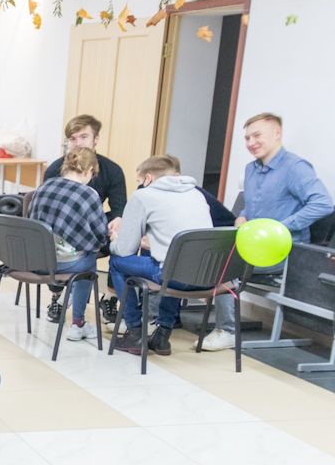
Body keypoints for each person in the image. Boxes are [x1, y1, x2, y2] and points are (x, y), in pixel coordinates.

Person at [204, 112, 334, 351]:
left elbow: (323, 203)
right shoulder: (251, 169)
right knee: (209, 258)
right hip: (255, 246)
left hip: (285, 252)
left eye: (257, 136)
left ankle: (227, 331)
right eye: (247, 138)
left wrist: (282, 226)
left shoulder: (295, 167)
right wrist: (243, 215)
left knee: (225, 267)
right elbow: (253, 204)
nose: (251, 142)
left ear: (277, 134)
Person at [110, 155, 214, 356]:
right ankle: (162, 335)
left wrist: (115, 239)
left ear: (148, 178)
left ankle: (134, 331)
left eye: (140, 181)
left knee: (117, 262)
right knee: (175, 261)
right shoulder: (196, 194)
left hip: (174, 277)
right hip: (207, 277)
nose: (140, 185)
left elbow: (125, 250)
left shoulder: (143, 196)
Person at [27, 148, 109, 342]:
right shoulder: (88, 194)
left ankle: (67, 298)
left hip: (33, 259)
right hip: (62, 263)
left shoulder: (44, 186)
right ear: (89, 170)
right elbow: (100, 233)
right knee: (89, 259)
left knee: (78, 252)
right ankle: (77, 323)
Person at [44, 115, 127, 227]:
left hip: (93, 225)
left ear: (96, 139)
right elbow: (47, 210)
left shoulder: (112, 171)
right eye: (72, 139)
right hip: (59, 226)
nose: (78, 143)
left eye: (84, 137)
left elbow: (119, 209)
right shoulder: (54, 170)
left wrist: (117, 220)